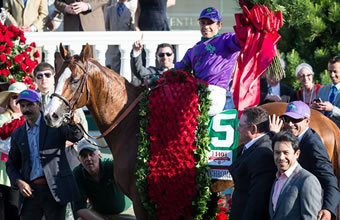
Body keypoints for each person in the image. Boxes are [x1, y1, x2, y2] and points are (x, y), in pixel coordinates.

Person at [6, 89, 83, 220]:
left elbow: (76, 136)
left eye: (30, 104)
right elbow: (11, 164)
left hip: (55, 189)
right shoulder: (17, 134)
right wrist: (18, 181)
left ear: (40, 105)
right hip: (30, 193)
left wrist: (73, 123)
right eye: (22, 105)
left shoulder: (54, 124)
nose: (26, 109)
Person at [270, 101, 340, 220]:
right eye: (287, 120)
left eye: (295, 120)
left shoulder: (313, 145)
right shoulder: (297, 137)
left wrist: (328, 208)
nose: (290, 124)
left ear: (307, 121)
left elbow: (330, 180)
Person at [175, 7, 240, 116]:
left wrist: (251, 23)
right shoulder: (192, 50)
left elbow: (242, 39)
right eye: (203, 23)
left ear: (219, 25)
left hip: (219, 96)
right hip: (199, 94)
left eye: (210, 23)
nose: (206, 27)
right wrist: (157, 78)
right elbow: (177, 71)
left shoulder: (226, 40)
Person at [229, 107, 277, 220]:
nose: (237, 129)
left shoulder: (263, 154)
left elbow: (257, 200)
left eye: (240, 125)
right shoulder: (253, 145)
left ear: (253, 129)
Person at [73, 140, 135, 220]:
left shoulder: (111, 166)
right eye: (84, 156)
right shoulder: (77, 173)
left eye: (91, 154)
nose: (88, 158)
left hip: (124, 212)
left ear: (99, 154)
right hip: (97, 214)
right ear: (79, 159)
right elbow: (79, 208)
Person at [269, 130, 322, 220]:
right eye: (277, 152)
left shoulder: (307, 180)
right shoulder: (277, 179)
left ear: (297, 154)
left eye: (286, 153)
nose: (281, 157)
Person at [0, 82, 27, 220]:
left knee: (21, 210)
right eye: (14, 97)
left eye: (20, 97)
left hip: (25, 172)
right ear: (9, 100)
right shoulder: (2, 118)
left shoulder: (32, 118)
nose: (17, 100)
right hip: (3, 171)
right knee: (7, 210)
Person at [105, 0, 136, 73]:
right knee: (114, 69)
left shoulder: (131, 10)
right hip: (113, 45)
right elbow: (107, 27)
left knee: (126, 66)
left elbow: (132, 28)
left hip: (126, 43)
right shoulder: (110, 10)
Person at [312, 56, 340, 128]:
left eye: (335, 71)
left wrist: (332, 109)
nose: (332, 75)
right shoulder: (322, 90)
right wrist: (315, 107)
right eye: (330, 71)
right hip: (323, 130)